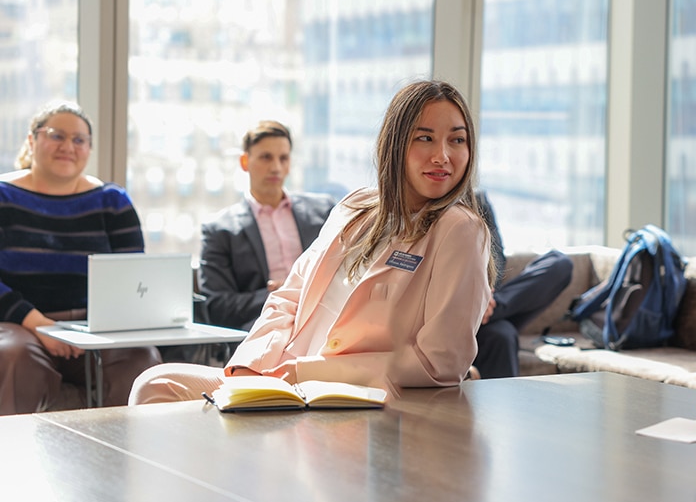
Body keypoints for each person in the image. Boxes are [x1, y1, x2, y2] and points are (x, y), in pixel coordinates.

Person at [129, 80, 493, 404]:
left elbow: (441, 361)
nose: (442, 156)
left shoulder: (459, 229)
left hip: (345, 395)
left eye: (456, 140)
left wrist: (305, 373)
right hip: (279, 379)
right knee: (155, 383)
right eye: (424, 138)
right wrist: (252, 366)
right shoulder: (356, 207)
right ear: (395, 144)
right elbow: (288, 298)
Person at [0, 102, 162, 414]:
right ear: (31, 141)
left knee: (142, 359)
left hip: (96, 328)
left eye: (79, 140)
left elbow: (132, 277)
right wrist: (38, 323)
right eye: (56, 136)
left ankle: (122, 461)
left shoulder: (112, 202)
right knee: (13, 358)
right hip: (19, 324)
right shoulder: (4, 197)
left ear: (89, 149)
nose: (68, 147)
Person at [198, 120, 335, 331]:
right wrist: (278, 294)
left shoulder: (324, 211)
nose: (276, 167)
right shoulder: (220, 230)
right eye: (266, 157)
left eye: (283, 158)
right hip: (262, 329)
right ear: (245, 162)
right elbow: (217, 307)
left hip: (324, 320)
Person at [474, 190, 573, 378]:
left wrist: (485, 296)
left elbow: (496, 258)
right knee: (502, 334)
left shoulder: (477, 200)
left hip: (490, 298)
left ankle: (488, 311)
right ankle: (480, 312)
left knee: (560, 264)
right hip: (457, 312)